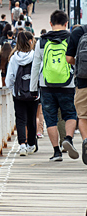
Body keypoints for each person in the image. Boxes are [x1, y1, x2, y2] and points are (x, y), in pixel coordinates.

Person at [30, 10, 78, 162]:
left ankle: (56, 152)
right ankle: (68, 139)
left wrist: (33, 88)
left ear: (50, 23)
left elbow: (36, 66)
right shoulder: (71, 39)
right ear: (66, 23)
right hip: (68, 84)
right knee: (70, 114)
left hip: (47, 85)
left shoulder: (42, 41)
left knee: (50, 119)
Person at [6, 31, 38, 156]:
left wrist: (10, 88)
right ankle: (31, 144)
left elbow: (10, 77)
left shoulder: (14, 57)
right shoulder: (35, 56)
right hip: (33, 92)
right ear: (30, 41)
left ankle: (22, 145)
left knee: (20, 119)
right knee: (32, 118)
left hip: (18, 93)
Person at [65, 25, 87, 165]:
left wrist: (79, 64)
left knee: (83, 115)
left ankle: (86, 140)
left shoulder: (78, 32)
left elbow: (68, 59)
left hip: (82, 81)